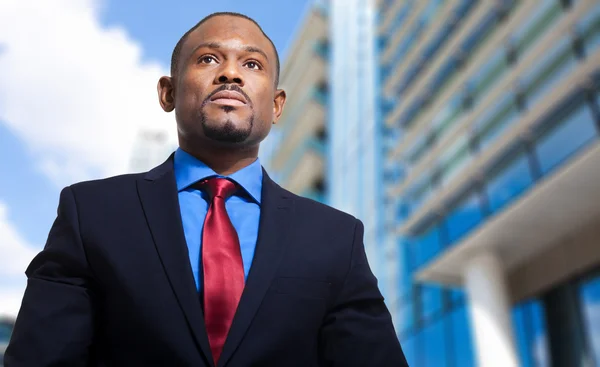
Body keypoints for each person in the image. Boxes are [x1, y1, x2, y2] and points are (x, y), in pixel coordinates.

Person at [5, 12, 408, 367]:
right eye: (209, 59)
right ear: (167, 92)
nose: (230, 73)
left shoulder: (336, 237)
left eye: (252, 63)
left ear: (277, 105)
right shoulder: (90, 212)